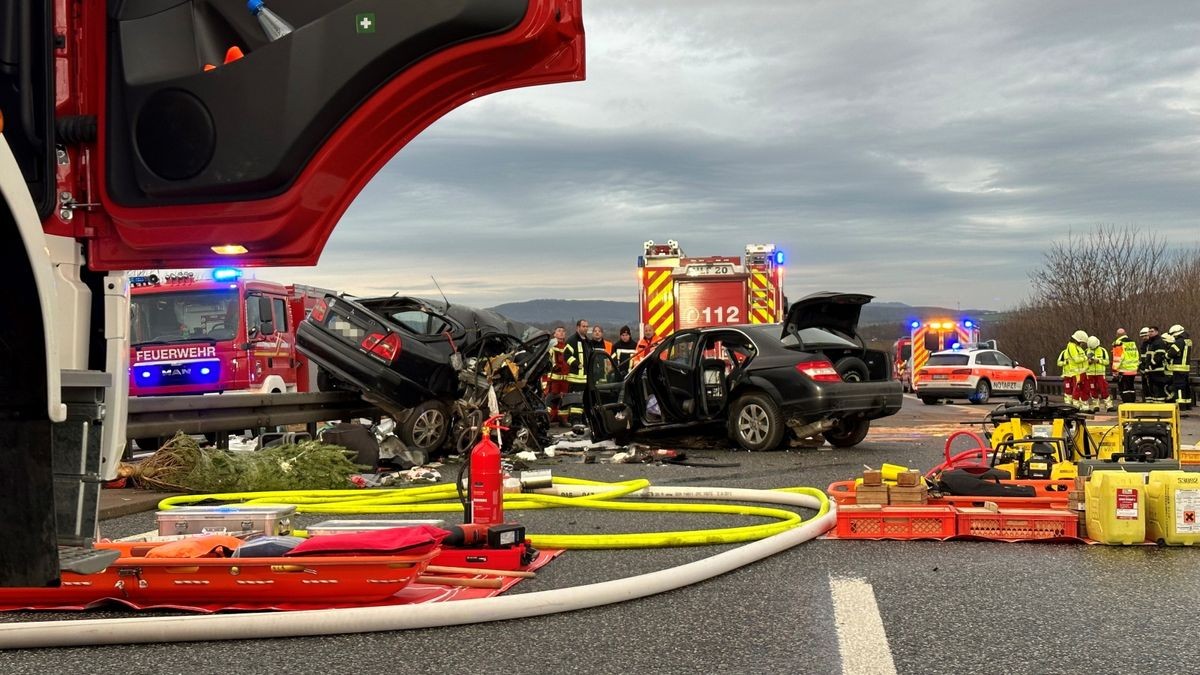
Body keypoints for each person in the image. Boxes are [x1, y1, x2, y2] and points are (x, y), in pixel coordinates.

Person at [562, 319, 590, 424]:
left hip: (586, 378)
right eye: (583, 326)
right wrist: (576, 364)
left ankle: (583, 420)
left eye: (587, 326)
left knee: (584, 401)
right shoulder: (572, 340)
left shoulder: (587, 341)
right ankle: (575, 421)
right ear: (577, 327)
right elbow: (566, 355)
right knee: (576, 401)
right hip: (575, 377)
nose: (585, 328)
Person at [545, 326, 569, 425]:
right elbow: (549, 360)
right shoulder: (551, 346)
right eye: (559, 331)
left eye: (563, 331)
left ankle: (563, 419)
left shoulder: (567, 346)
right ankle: (548, 419)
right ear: (554, 334)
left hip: (566, 379)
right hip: (554, 379)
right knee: (551, 400)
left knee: (565, 400)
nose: (561, 333)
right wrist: (554, 366)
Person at [1060, 330, 1089, 409]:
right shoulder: (1071, 346)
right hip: (1077, 372)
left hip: (1082, 371)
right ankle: (1076, 406)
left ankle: (1084, 406)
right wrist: (1086, 357)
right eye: (1082, 342)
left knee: (1084, 389)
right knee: (1077, 390)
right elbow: (1076, 359)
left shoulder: (1077, 347)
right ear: (1078, 340)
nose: (1082, 344)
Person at [1167, 324, 1193, 411]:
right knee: (1186, 387)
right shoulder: (1188, 341)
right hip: (1186, 368)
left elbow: (1171, 353)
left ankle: (1180, 405)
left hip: (1178, 368)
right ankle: (1187, 404)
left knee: (1179, 387)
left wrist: (1166, 355)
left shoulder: (1179, 342)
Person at [1111, 328, 1140, 404]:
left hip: (1123, 370)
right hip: (1133, 370)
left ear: (1117, 335)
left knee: (1124, 389)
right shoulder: (1132, 343)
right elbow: (1136, 355)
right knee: (1131, 388)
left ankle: (1127, 405)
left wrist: (1114, 371)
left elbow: (1117, 358)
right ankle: (1132, 404)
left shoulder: (1118, 343)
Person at [1084, 335, 1110, 413]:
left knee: (1103, 389)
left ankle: (1108, 405)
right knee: (1093, 390)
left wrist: (1098, 361)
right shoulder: (1086, 351)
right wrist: (1088, 362)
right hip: (1090, 374)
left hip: (1100, 374)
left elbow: (1107, 362)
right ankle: (1096, 405)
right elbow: (1082, 363)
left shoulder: (1102, 351)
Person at [1143, 326, 1169, 403]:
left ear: (1157, 332)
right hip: (1152, 371)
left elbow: (1159, 356)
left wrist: (1151, 365)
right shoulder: (1152, 343)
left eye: (1152, 331)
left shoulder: (1159, 342)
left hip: (1157, 370)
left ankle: (1160, 406)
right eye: (1149, 331)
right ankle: (1156, 406)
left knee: (1158, 389)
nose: (1150, 333)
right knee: (1153, 389)